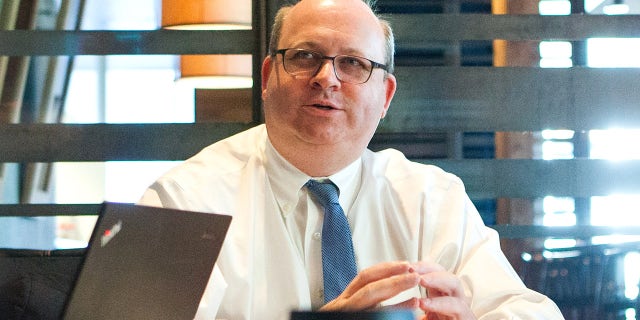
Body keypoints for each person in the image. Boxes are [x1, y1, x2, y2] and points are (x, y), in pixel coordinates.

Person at [139, 0, 564, 319]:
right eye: (305, 56)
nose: (327, 78)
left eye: (353, 63)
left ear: (385, 96)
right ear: (268, 78)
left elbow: (531, 312)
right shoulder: (184, 201)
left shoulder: (431, 199)